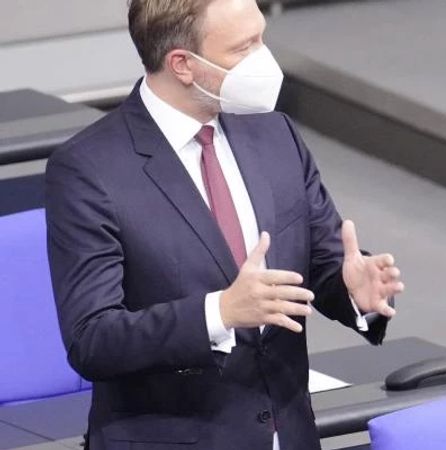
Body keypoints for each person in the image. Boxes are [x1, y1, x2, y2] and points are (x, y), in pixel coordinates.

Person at [45, 1, 404, 449]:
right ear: (182, 64)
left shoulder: (275, 135)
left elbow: (323, 263)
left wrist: (355, 292)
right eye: (244, 47)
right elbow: (92, 339)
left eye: (261, 37)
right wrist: (219, 313)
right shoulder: (88, 170)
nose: (264, 59)